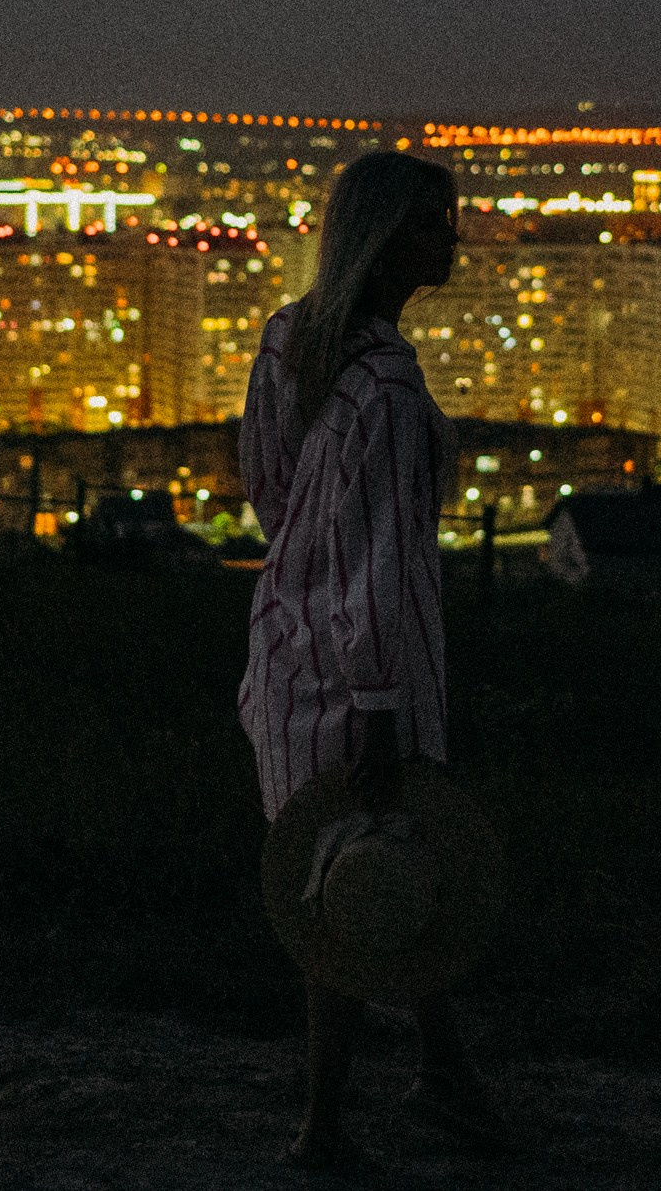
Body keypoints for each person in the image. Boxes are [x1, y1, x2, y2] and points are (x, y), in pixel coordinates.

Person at [236, 150, 507, 1167]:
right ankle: (323, 1128)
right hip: (362, 676)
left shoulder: (285, 346)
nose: (455, 237)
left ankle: (441, 1074)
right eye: (436, 220)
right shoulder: (388, 384)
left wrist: (309, 561)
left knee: (370, 876)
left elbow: (266, 490)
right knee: (354, 889)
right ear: (384, 234)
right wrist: (386, 701)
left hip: (283, 649)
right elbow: (390, 559)